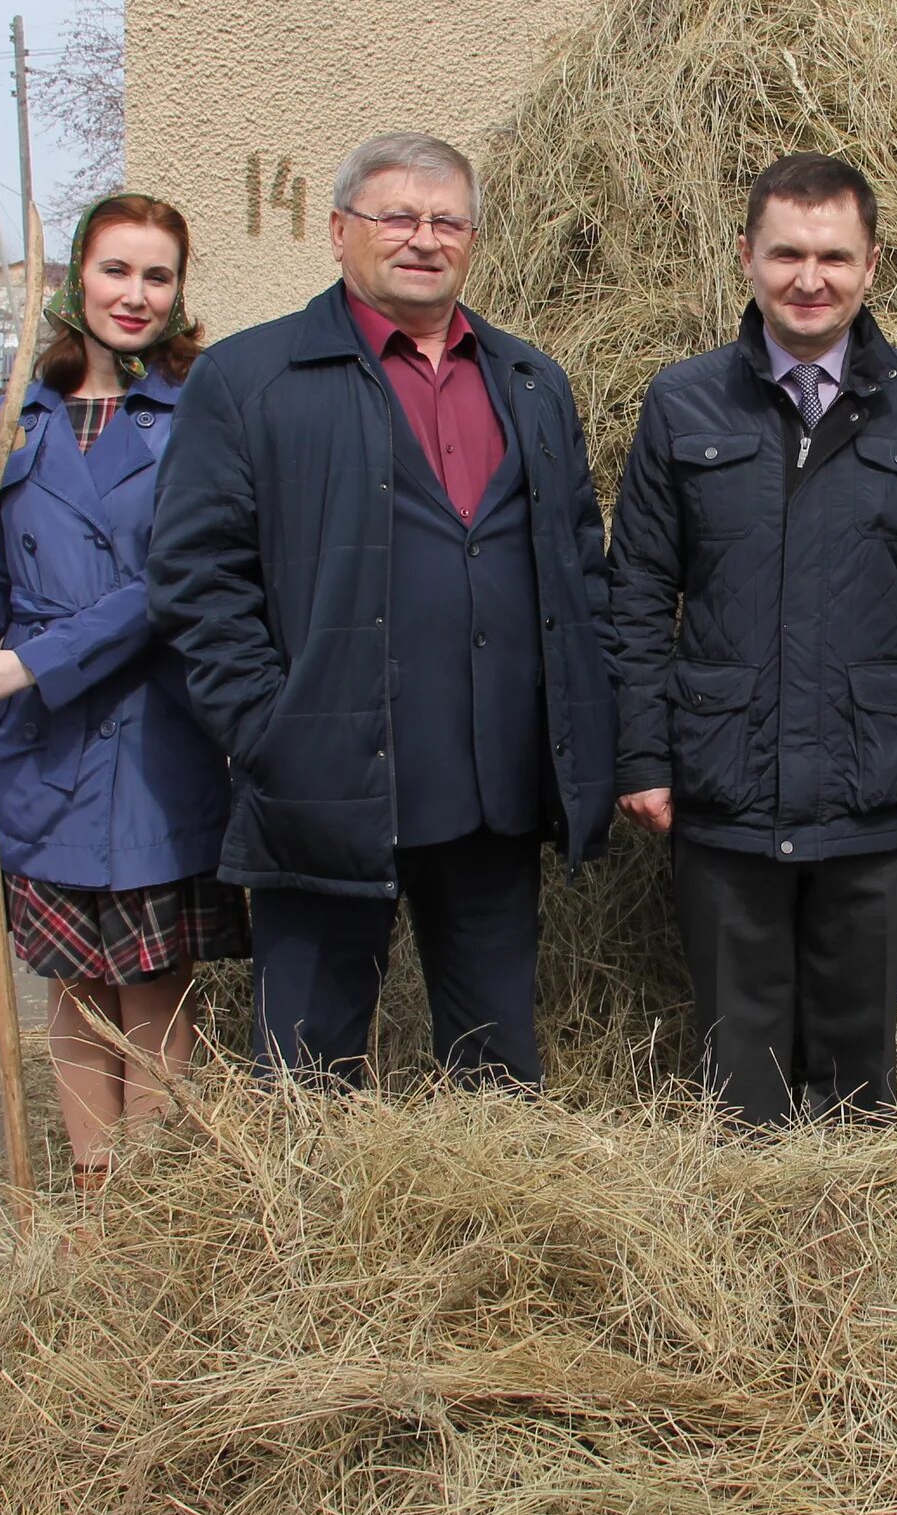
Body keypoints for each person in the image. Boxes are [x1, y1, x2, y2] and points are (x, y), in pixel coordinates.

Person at [145, 132, 614, 1086]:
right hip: (324, 784)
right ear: (338, 231)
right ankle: (308, 1231)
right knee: (307, 1075)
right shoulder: (250, 381)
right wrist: (268, 729)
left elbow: (578, 563)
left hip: (494, 788)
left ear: (475, 239)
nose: (423, 239)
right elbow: (197, 578)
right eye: (396, 216)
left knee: (497, 1071)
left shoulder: (530, 380)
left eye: (447, 220)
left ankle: (486, 1230)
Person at [606, 152, 897, 1125]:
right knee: (741, 1066)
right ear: (747, 256)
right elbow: (638, 594)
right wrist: (641, 753)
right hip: (725, 783)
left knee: (857, 1060)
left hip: (876, 787)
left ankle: (849, 1236)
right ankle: (753, 1237)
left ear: (871, 267)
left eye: (834, 255)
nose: (809, 278)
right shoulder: (684, 402)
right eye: (787, 253)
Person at [0, 192, 242, 1193]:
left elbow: (169, 583)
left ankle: (154, 1197)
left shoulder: (199, 418)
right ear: (77, 281)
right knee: (75, 979)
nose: (135, 295)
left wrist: (27, 660)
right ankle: (94, 1189)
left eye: (157, 276)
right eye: (116, 271)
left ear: (180, 292)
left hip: (154, 738)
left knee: (150, 978)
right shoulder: (13, 423)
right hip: (47, 748)